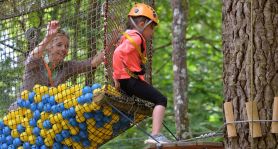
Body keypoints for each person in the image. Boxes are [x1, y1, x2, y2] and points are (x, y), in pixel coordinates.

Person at [8, 20, 104, 111]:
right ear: (49, 47)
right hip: (21, 114)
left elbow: (91, 63)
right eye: (59, 45)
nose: (64, 49)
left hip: (43, 119)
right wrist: (48, 37)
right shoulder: (37, 62)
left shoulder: (66, 67)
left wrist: (110, 46)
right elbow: (32, 56)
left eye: (66, 46)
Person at [112, 3, 170, 144]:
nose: (152, 32)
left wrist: (117, 77)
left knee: (135, 107)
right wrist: (117, 76)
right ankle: (155, 135)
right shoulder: (137, 38)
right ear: (143, 24)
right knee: (161, 100)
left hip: (126, 80)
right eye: (152, 28)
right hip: (128, 80)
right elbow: (118, 53)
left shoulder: (128, 37)